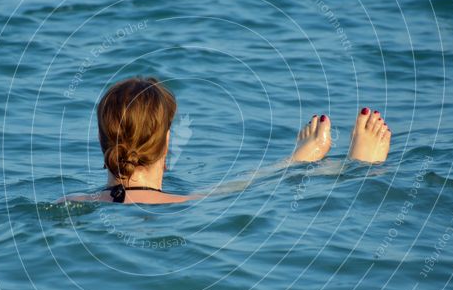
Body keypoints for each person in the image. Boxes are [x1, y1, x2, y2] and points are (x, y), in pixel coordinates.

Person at [59, 76, 391, 205]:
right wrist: (296, 162)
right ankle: (359, 167)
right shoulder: (185, 203)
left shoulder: (70, 202)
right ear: (167, 140)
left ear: (102, 139)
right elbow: (244, 187)